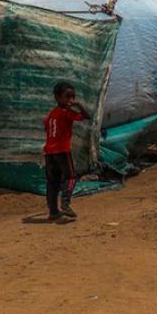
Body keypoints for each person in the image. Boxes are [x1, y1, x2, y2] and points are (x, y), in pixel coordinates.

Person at [43, 82, 90, 223]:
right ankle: (65, 203)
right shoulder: (67, 112)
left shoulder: (52, 114)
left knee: (52, 182)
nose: (71, 100)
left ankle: (53, 212)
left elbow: (47, 128)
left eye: (73, 97)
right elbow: (86, 116)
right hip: (62, 150)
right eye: (67, 96)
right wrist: (79, 105)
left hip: (49, 152)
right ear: (58, 98)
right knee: (71, 177)